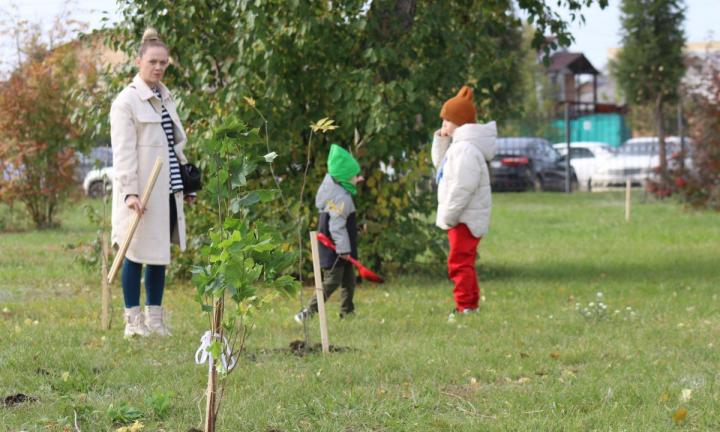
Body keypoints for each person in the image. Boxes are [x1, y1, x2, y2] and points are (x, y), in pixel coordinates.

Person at [110, 28, 196, 338]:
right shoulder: (126, 102)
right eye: (153, 62)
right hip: (140, 194)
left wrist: (186, 184)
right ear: (138, 61)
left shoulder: (165, 98)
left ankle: (155, 320)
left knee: (159, 253)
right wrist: (130, 192)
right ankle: (133, 322)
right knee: (135, 252)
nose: (158, 68)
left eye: (163, 63)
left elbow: (175, 146)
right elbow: (123, 153)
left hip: (166, 190)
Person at [431, 86, 496, 320]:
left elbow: (462, 187)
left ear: (459, 122)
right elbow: (441, 169)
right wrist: (440, 141)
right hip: (461, 216)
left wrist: (449, 214)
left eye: (447, 120)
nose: (443, 124)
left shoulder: (466, 150)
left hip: (464, 218)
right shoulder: (458, 147)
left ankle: (466, 307)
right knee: (461, 261)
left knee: (459, 263)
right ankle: (468, 305)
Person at [294, 144, 364, 322]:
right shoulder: (341, 198)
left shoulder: (337, 193)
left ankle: (347, 312)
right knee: (332, 281)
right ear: (344, 178)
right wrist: (343, 250)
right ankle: (308, 311)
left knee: (349, 280)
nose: (359, 178)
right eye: (356, 176)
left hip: (342, 248)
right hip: (335, 250)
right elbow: (336, 226)